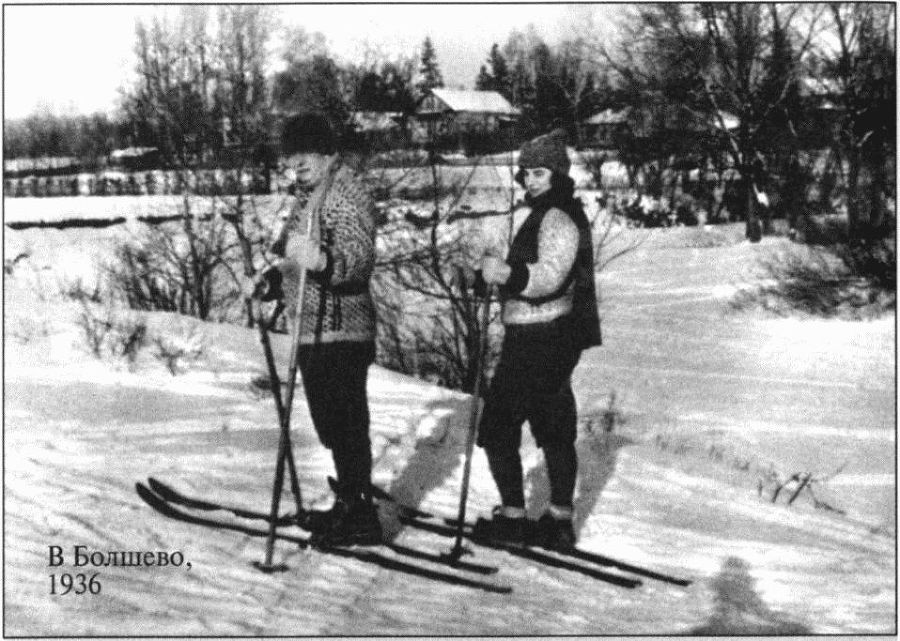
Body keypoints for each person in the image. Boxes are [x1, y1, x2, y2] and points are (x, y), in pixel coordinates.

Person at [253, 112, 380, 547]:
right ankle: (348, 501)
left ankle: (361, 513)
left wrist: (324, 262)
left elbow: (359, 260)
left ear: (327, 153)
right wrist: (272, 281)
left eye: (306, 153)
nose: (297, 163)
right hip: (311, 330)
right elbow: (292, 259)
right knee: (330, 422)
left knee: (346, 422)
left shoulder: (346, 192)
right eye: (292, 156)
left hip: (342, 327)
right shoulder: (307, 199)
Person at [472, 128, 601, 551]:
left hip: (538, 336)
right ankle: (558, 520)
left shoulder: (557, 217)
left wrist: (508, 274)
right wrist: (489, 277)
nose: (530, 180)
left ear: (558, 173)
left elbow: (549, 275)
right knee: (553, 422)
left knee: (498, 425)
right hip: (554, 335)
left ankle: (513, 518)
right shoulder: (551, 212)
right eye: (525, 173)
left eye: (539, 172)